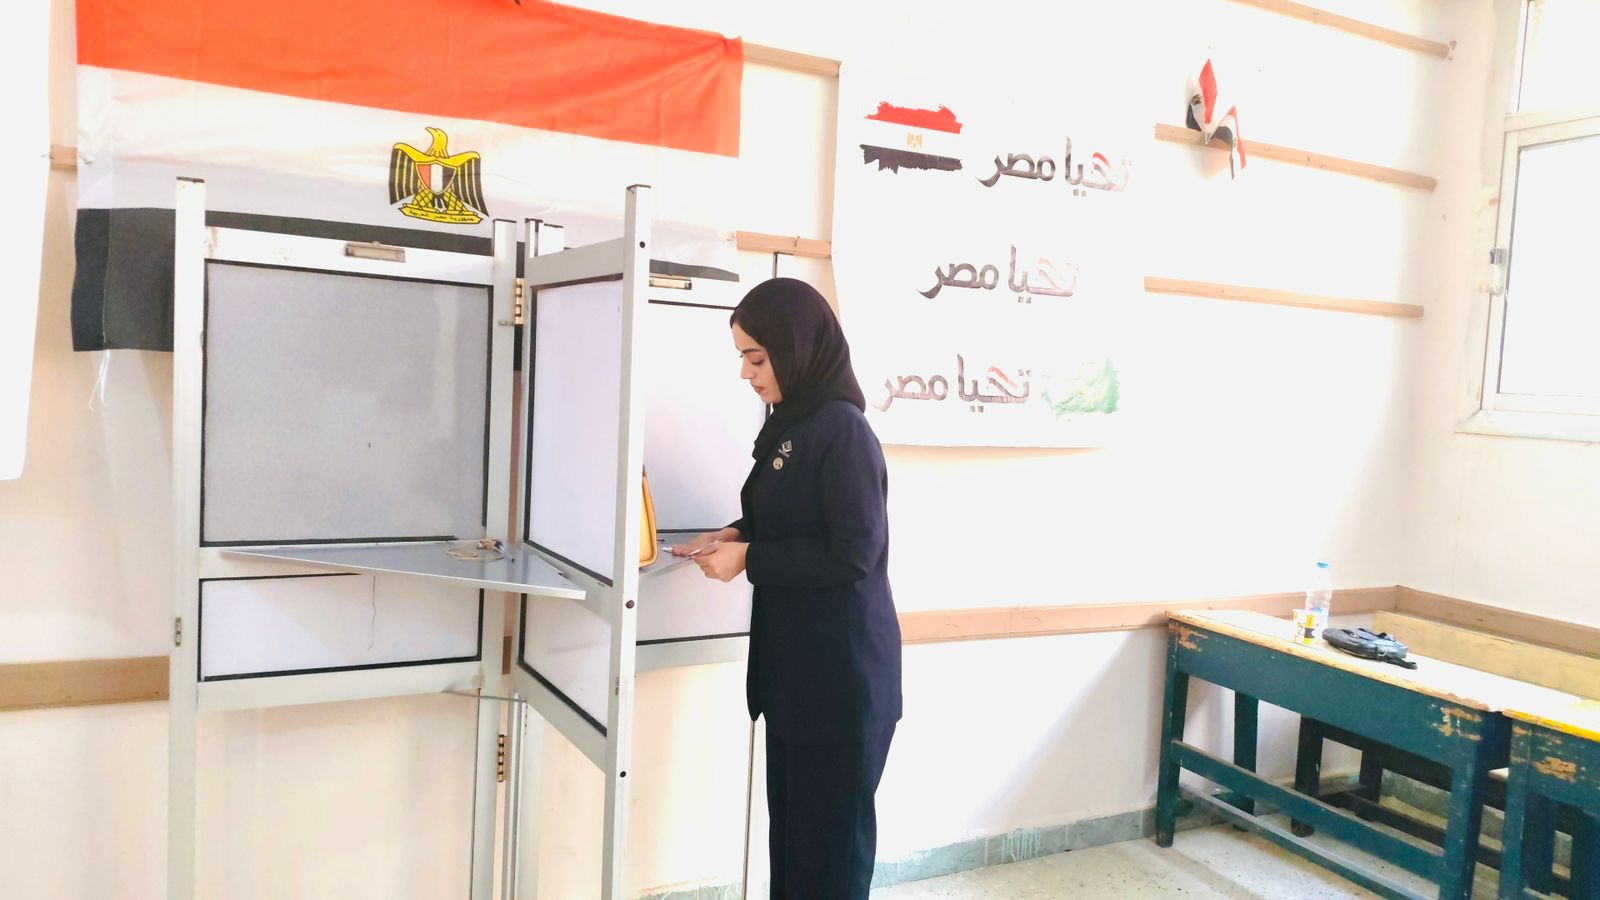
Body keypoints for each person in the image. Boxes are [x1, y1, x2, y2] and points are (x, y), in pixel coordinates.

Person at [671, 277, 902, 899]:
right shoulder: (794, 421)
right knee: (796, 850)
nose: (746, 374)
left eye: (756, 358)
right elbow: (793, 513)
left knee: (829, 862)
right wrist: (735, 533)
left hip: (841, 683)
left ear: (796, 349)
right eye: (742, 357)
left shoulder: (843, 430)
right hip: (799, 679)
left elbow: (854, 550)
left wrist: (749, 558)